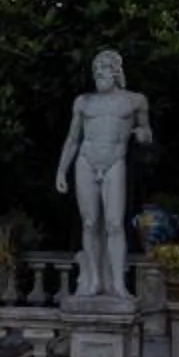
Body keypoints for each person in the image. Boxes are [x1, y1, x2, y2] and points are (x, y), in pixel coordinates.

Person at [55, 50, 153, 299]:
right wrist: (61, 170)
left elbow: (146, 130)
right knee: (89, 223)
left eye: (104, 68)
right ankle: (94, 281)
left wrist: (143, 136)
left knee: (114, 224)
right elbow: (73, 139)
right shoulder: (84, 102)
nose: (99, 72)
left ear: (116, 72)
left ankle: (118, 284)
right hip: (86, 161)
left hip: (114, 162)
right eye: (96, 68)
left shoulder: (134, 101)